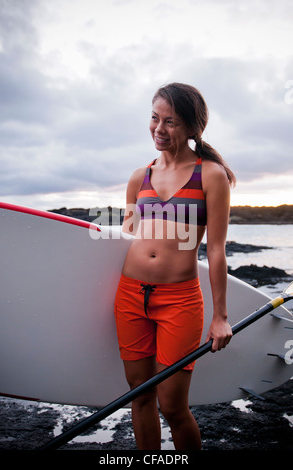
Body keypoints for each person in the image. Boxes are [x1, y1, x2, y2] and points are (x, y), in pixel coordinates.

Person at [114, 83, 236, 450]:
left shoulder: (210, 175)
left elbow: (215, 250)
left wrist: (221, 317)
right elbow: (127, 236)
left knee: (173, 406)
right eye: (155, 118)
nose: (159, 129)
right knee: (140, 396)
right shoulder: (140, 176)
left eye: (171, 122)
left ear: (193, 128)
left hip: (180, 301)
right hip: (130, 295)